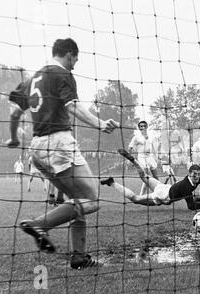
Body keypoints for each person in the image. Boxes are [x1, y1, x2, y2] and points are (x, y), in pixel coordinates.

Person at [7, 38, 119, 269]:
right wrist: (99, 124)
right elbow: (73, 106)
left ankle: (79, 256)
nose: (75, 64)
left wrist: (13, 138)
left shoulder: (32, 79)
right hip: (59, 143)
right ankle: (40, 224)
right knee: (92, 199)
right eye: (75, 59)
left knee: (76, 199)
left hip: (37, 149)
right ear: (69, 54)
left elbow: (14, 113)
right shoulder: (62, 74)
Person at [100, 149, 200, 211]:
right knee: (135, 199)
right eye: (194, 174)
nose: (197, 176)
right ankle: (112, 182)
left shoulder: (195, 179)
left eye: (198, 174)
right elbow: (191, 207)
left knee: (144, 177)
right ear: (189, 174)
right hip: (162, 196)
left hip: (163, 188)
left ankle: (134, 160)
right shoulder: (187, 187)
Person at [128, 120, 159, 195]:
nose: (143, 127)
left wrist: (156, 157)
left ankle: (158, 192)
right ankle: (141, 195)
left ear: (147, 127)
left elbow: (153, 148)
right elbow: (130, 148)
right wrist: (132, 158)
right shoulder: (136, 137)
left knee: (156, 177)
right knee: (147, 177)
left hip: (150, 157)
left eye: (144, 126)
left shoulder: (151, 137)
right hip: (142, 157)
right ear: (139, 128)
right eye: (141, 126)